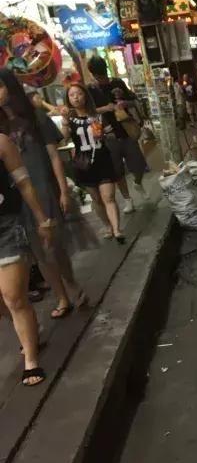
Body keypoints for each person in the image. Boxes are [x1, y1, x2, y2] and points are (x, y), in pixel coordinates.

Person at [0, 68, 87, 319]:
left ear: (11, 87)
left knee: (54, 247)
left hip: (43, 188)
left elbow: (54, 157)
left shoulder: (35, 117)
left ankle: (71, 284)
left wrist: (63, 190)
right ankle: (61, 297)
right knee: (39, 254)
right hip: (16, 198)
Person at [0, 131, 53, 385]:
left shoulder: (1, 141)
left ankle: (31, 359)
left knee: (13, 296)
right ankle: (29, 331)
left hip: (6, 226)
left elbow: (24, 183)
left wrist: (42, 219)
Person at [61, 83, 124, 244]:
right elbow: (64, 139)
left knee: (108, 197)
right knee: (96, 199)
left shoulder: (98, 116)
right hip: (84, 164)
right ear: (68, 99)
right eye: (72, 95)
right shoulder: (70, 119)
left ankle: (117, 230)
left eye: (79, 94)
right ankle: (107, 225)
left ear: (85, 96)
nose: (76, 97)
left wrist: (103, 135)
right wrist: (65, 122)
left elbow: (112, 135)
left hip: (103, 160)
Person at [87, 55, 149, 212]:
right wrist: (105, 108)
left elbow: (133, 101)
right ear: (93, 74)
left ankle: (137, 183)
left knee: (139, 165)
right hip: (107, 135)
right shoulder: (91, 90)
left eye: (103, 75)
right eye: (99, 76)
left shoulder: (118, 83)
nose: (102, 79)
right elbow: (89, 111)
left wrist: (124, 103)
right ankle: (128, 200)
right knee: (117, 171)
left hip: (126, 130)